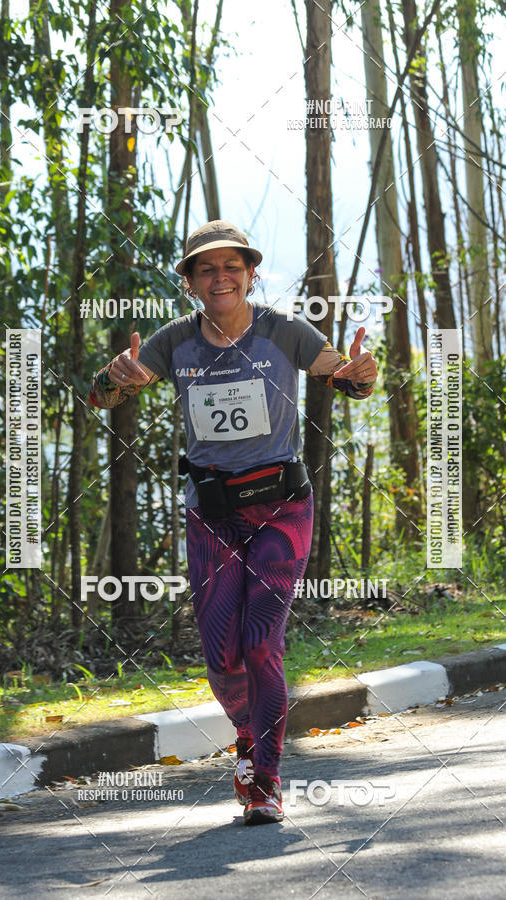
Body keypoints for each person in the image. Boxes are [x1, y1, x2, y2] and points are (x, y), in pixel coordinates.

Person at [89, 220, 378, 825]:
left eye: (231, 266)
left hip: (281, 507)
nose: (220, 277)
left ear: (249, 273)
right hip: (211, 514)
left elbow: (340, 375)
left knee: (260, 642)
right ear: (191, 282)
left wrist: (359, 375)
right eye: (206, 268)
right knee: (221, 654)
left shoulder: (284, 330)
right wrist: (115, 381)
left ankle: (265, 780)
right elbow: (105, 394)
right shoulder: (174, 341)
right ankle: (248, 735)